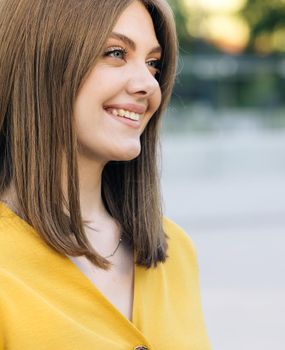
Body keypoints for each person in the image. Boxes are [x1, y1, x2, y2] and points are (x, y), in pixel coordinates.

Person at [0, 0, 210, 348]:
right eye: (115, 53)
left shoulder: (177, 252)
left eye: (153, 63)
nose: (148, 85)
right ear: (38, 64)